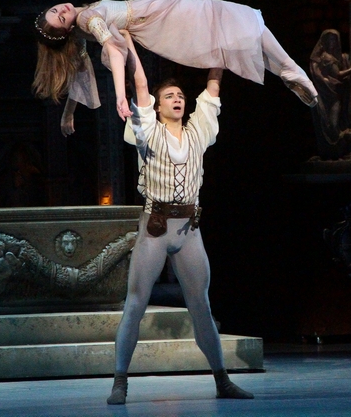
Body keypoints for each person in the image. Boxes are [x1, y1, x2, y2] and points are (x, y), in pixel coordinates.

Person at [105, 31, 254, 405]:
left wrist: (220, 47)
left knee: (201, 305)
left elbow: (213, 87)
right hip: (155, 227)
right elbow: (140, 84)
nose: (177, 99)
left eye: (181, 96)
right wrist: (129, 43)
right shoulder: (147, 131)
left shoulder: (198, 132)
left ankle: (222, 380)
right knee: (136, 303)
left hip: (188, 229)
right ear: (157, 106)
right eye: (170, 96)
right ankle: (119, 382)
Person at [30, 0, 318, 136]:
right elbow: (113, 51)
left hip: (155, 23)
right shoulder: (87, 19)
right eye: (60, 18)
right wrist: (119, 96)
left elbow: (80, 68)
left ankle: (285, 70)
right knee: (228, 16)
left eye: (55, 10)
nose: (62, 10)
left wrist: (68, 114)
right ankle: (288, 67)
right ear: (67, 30)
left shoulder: (80, 29)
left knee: (225, 28)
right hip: (161, 15)